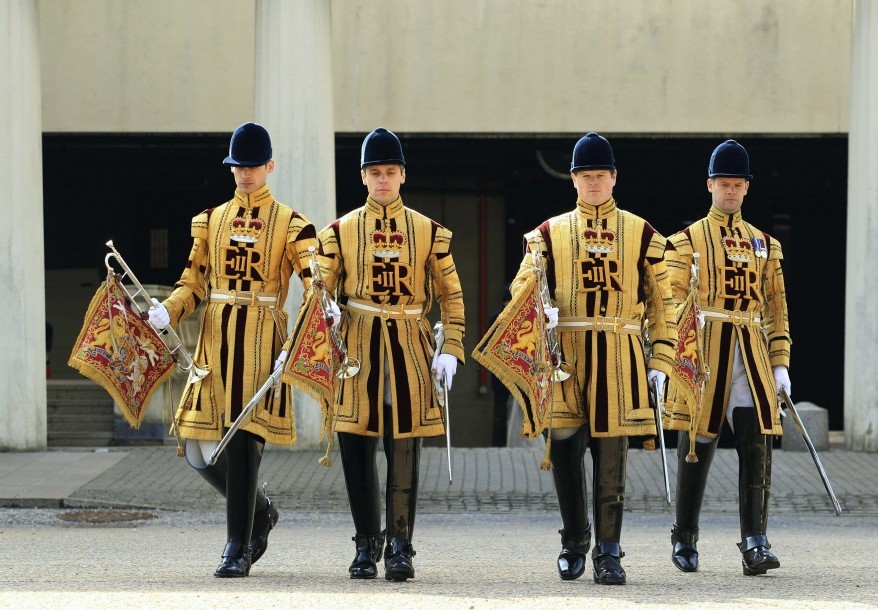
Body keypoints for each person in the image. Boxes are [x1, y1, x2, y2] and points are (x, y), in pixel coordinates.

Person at [147, 122, 318, 577]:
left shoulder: (293, 223)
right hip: (216, 339)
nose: (245, 173)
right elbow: (193, 282)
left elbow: (315, 287)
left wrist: (305, 336)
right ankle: (260, 511)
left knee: (241, 445)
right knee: (200, 452)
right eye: (238, 166)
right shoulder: (211, 220)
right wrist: (170, 309)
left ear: (269, 166)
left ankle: (236, 546)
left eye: (253, 166)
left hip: (262, 339)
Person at [509, 132, 678, 585]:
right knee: (564, 448)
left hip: (620, 353)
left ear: (614, 177)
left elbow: (665, 303)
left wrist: (661, 360)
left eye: (601, 175)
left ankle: (609, 549)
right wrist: (533, 301)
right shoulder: (548, 233)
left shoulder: (643, 234)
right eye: (586, 176)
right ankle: (573, 538)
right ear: (573, 180)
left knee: (611, 454)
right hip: (566, 352)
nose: (594, 183)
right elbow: (521, 286)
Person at [317, 127, 465, 582]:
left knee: (404, 447)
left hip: (409, 345)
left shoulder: (428, 231)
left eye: (390, 171)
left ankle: (400, 544)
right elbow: (319, 288)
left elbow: (452, 295)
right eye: (375, 172)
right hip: (357, 346)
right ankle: (366, 544)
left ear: (403, 175)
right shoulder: (339, 232)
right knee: (356, 446)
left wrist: (453, 348)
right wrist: (324, 310)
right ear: (363, 176)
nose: (383, 179)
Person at [664, 140, 790, 576]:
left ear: (747, 188)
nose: (731, 191)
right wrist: (670, 355)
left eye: (738, 184)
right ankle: (685, 533)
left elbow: (776, 308)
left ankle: (755, 540)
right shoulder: (685, 241)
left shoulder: (765, 245)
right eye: (724, 183)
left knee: (757, 446)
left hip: (750, 349)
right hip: (704, 349)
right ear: (710, 185)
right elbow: (671, 299)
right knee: (697, 444)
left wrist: (780, 363)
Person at [488, 287, 512, 447]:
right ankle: (512, 443)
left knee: (500, 411)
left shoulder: (494, 317)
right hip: (514, 370)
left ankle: (498, 444)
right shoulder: (517, 316)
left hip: (497, 371)